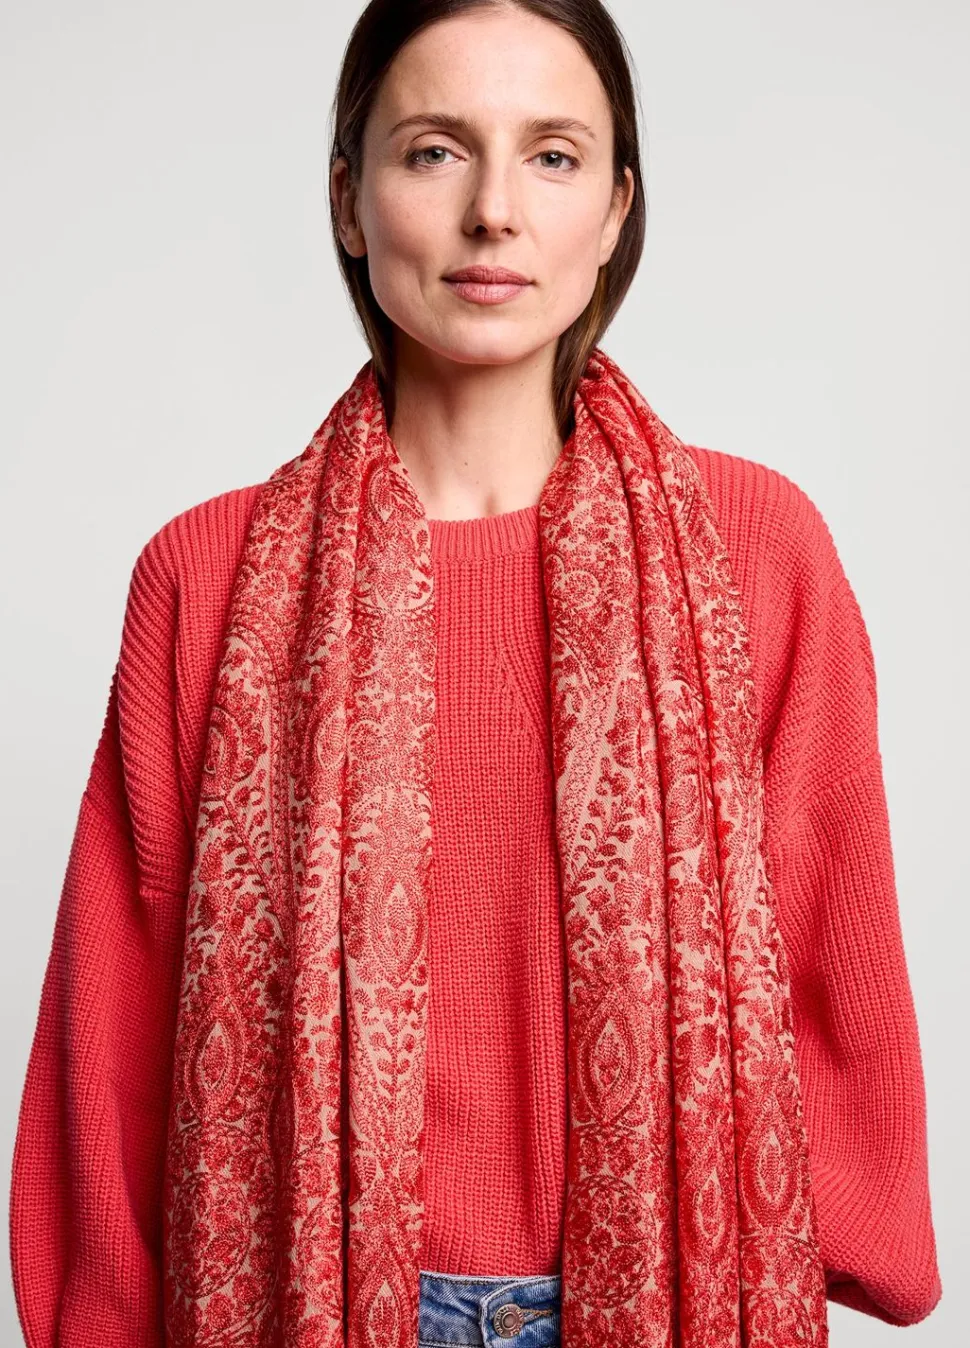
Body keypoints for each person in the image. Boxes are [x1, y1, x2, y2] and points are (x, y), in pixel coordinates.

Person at [9, 1, 943, 1346]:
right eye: (435, 150)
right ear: (349, 198)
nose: (494, 210)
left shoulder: (755, 549)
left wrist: (813, 1250)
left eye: (553, 156)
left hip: (679, 1295)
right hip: (304, 1303)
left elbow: (830, 927)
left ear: (615, 210)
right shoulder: (205, 577)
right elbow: (117, 1019)